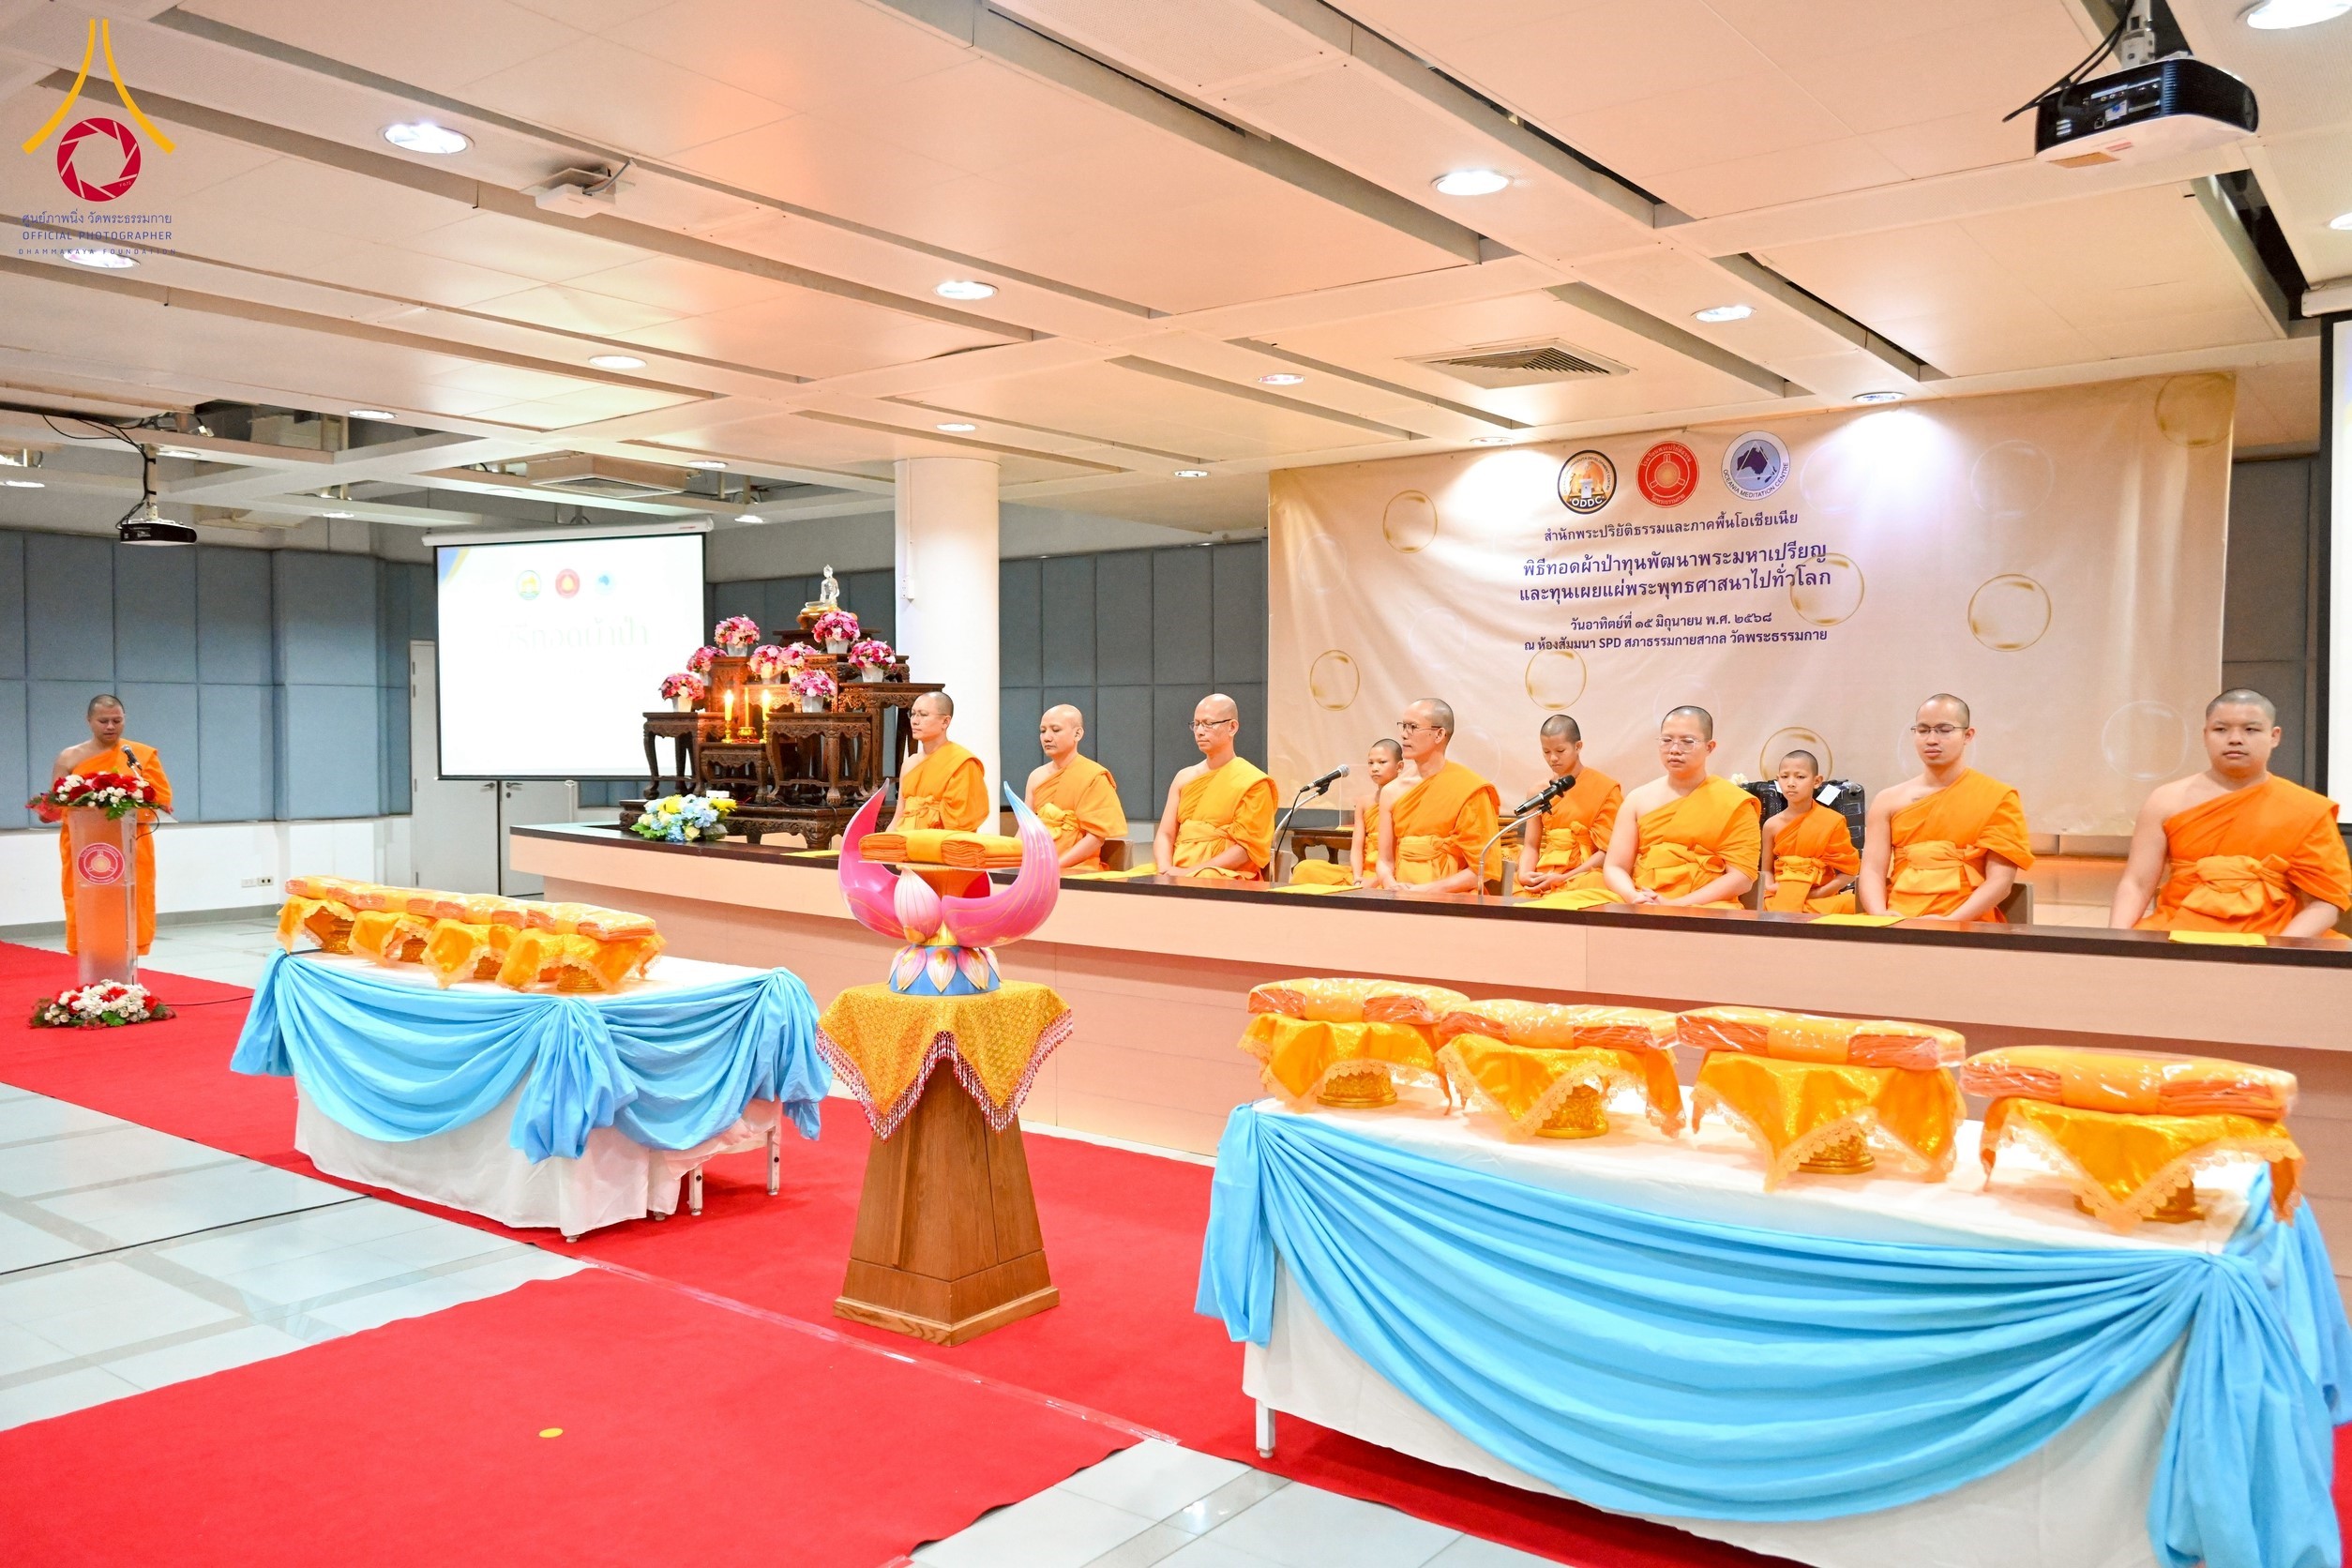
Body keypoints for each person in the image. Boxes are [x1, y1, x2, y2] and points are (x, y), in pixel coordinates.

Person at [2107, 689, 2350, 939]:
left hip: (2277, 936)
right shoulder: (2166, 800)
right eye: (2221, 730)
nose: (2235, 739)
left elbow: (2326, 902)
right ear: (2205, 735)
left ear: (2274, 736)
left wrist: (2278, 951)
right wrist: (2115, 943)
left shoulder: (2306, 808)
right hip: (2179, 933)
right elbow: (2136, 883)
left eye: (2251, 730)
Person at [1859, 694, 2031, 923]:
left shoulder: (1998, 797)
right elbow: (1871, 870)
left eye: (1944, 730)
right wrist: (1880, 916)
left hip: (1968, 921)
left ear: (1967, 735)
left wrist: (1951, 922)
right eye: (1923, 730)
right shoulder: (1888, 800)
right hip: (1898, 918)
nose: (1931, 739)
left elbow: (2000, 882)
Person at [1566, 706, 1758, 909]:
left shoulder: (1733, 802)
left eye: (1687, 742)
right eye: (1667, 740)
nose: (1674, 749)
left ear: (1710, 747)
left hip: (1705, 906)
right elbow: (1615, 867)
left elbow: (1741, 878)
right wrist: (1634, 897)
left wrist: (1677, 904)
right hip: (1642, 899)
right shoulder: (1638, 799)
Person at [41, 694, 173, 956]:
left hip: (130, 845)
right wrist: (50, 811)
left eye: (117, 720)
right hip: (84, 848)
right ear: (89, 720)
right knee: (88, 903)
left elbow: (162, 802)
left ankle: (130, 956)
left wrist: (126, 807)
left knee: (131, 903)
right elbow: (52, 807)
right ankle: (90, 957)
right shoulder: (69, 757)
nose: (111, 726)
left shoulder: (139, 756)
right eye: (104, 721)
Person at [1377, 699, 1501, 897]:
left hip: (1452, 897)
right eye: (1403, 726)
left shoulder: (1469, 788)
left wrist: (1426, 890)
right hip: (1400, 894)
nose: (1403, 734)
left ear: (1439, 734)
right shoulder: (1391, 791)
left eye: (1413, 727)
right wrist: (1390, 885)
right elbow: (1384, 861)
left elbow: (1483, 868)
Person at [1152, 694, 1276, 880]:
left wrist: (1190, 873)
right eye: (1196, 724)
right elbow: (1165, 834)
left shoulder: (1253, 782)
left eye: (1208, 724)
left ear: (1232, 727)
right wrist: (1164, 869)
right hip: (1176, 869)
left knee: (1208, 877)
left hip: (1225, 874)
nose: (1199, 731)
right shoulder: (1183, 777)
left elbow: (1246, 849)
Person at [1515, 715, 1620, 895]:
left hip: (1586, 874)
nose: (1553, 758)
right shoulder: (1538, 792)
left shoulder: (1606, 789)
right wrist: (1525, 874)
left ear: (1578, 746)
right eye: (1546, 752)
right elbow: (1531, 845)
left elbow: (1608, 851)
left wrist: (1564, 878)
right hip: (1546, 871)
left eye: (1560, 751)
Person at [1025, 704, 1126, 873]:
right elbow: (1026, 828)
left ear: (1077, 734)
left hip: (1078, 867)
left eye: (1055, 730)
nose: (1047, 737)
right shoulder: (1036, 776)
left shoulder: (1094, 775)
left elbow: (1095, 838)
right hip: (1035, 863)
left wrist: (1054, 867)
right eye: (1043, 731)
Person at [1288, 737, 1403, 886]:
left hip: (1391, 874)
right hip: (1362, 874)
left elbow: (1402, 850)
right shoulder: (1364, 802)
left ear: (1399, 766)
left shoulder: (1406, 800)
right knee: (1305, 868)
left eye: (1382, 762)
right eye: (1370, 763)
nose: (1375, 768)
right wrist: (1357, 878)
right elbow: (1357, 847)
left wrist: (1376, 880)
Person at [1758, 750, 1859, 913]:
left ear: (1817, 781)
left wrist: (1818, 894)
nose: (1791, 783)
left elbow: (1849, 873)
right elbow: (1767, 870)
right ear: (1778, 780)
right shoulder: (1772, 825)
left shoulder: (1832, 821)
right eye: (1784, 777)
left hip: (1819, 900)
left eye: (1800, 777)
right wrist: (1772, 888)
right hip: (1780, 896)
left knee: (1851, 903)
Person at [890, 691, 988, 832]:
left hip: (940, 847)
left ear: (945, 722)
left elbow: (960, 823)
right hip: (906, 845)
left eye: (923, 714)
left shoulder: (961, 764)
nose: (915, 721)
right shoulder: (909, 764)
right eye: (912, 714)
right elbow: (898, 817)